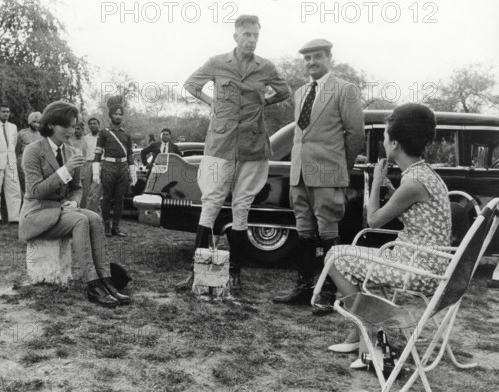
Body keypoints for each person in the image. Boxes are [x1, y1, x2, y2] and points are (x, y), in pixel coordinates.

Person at [322, 103, 451, 368]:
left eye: (384, 137)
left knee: (334, 259)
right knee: (339, 254)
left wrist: (376, 182)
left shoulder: (414, 181)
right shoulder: (421, 174)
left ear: (394, 144)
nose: (382, 142)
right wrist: (393, 190)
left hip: (419, 268)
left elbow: (373, 220)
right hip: (422, 259)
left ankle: (369, 336)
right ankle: (360, 334)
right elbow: (415, 212)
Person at [180, 14, 291, 291]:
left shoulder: (265, 67)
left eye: (255, 35)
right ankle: (198, 272)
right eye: (246, 35)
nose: (251, 39)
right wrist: (211, 103)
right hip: (220, 144)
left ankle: (235, 274)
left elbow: (284, 91)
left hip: (252, 147)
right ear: (236, 36)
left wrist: (264, 101)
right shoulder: (217, 62)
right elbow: (191, 84)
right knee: (211, 204)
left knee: (242, 208)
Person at [272, 39, 364, 313]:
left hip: (327, 174)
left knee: (328, 232)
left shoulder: (345, 90)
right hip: (298, 173)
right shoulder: (301, 92)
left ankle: (328, 291)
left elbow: (356, 135)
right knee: (303, 231)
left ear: (329, 58)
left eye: (318, 57)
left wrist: (340, 169)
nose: (312, 62)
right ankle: (303, 287)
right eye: (308, 58)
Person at [19, 101, 130, 308]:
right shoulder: (33, 151)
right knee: (80, 220)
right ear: (51, 125)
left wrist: (73, 201)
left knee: (95, 218)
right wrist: (64, 170)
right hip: (37, 214)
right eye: (66, 126)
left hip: (62, 211)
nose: (71, 130)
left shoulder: (71, 152)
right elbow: (35, 191)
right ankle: (92, 283)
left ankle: (106, 280)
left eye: (74, 125)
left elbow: (77, 188)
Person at [92, 105, 137, 237]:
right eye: (115, 114)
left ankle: (116, 227)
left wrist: (133, 173)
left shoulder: (126, 134)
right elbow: (98, 153)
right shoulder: (104, 132)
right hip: (108, 167)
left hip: (123, 167)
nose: (118, 116)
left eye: (120, 114)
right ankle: (106, 227)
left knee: (119, 199)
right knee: (106, 197)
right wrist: (96, 173)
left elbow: (130, 155)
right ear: (111, 116)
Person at [16, 112, 43, 194]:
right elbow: (17, 150)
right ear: (29, 122)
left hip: (38, 163)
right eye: (34, 122)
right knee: (24, 185)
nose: (36, 124)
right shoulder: (22, 133)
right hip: (23, 163)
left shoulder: (43, 135)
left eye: (38, 122)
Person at [81, 117, 101, 209]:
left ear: (98, 125)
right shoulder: (85, 138)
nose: (92, 125)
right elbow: (83, 153)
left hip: (98, 165)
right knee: (85, 190)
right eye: (91, 124)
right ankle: (83, 211)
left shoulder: (102, 137)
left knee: (94, 191)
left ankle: (91, 212)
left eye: (94, 123)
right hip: (87, 164)